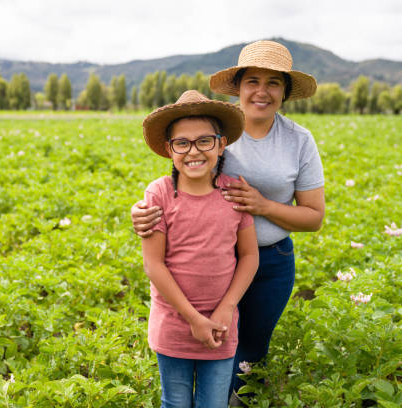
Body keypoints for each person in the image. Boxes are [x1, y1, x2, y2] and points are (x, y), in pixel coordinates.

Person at [132, 40, 325, 405]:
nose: (262, 91)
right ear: (238, 86)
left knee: (250, 352)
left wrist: (263, 205)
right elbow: (175, 184)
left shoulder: (298, 140)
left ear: (285, 91)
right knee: (197, 347)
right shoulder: (212, 127)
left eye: (273, 83)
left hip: (268, 259)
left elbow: (314, 217)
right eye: (253, 81)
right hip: (203, 264)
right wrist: (140, 211)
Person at [140, 89, 259, 408]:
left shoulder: (235, 193)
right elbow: (154, 265)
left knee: (214, 403)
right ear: (169, 149)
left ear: (221, 144)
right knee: (175, 402)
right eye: (182, 142)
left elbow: (249, 256)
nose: (193, 151)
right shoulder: (160, 194)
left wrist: (225, 308)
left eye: (204, 140)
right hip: (174, 324)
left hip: (221, 324)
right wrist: (193, 318)